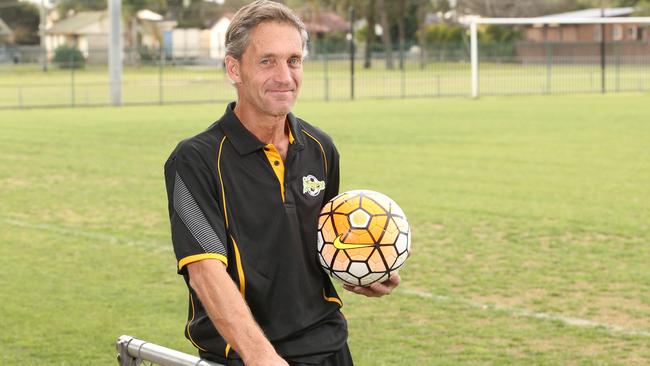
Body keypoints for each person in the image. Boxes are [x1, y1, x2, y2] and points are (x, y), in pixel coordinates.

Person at [164, 1, 400, 365]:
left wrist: (362, 266)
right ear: (234, 69)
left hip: (330, 348)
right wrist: (262, 357)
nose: (285, 76)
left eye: (294, 60)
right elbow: (205, 274)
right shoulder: (194, 160)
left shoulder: (321, 148)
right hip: (248, 358)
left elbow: (324, 241)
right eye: (266, 61)